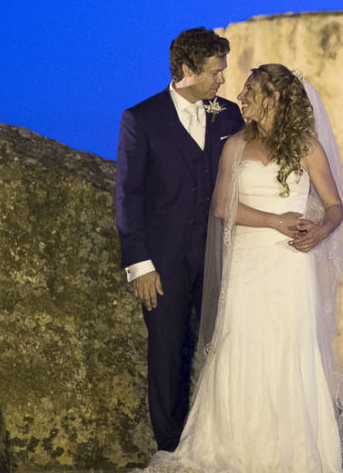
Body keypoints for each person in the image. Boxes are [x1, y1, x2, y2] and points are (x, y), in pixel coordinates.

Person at [149, 63, 343, 472]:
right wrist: (276, 221)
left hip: (292, 265)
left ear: (273, 98)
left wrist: (320, 230)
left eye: (249, 91)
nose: (240, 98)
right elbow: (223, 206)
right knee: (239, 344)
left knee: (289, 348)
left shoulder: (307, 148)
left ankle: (293, 454)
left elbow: (335, 206)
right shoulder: (235, 145)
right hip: (248, 262)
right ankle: (231, 448)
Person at [115, 28, 247, 452]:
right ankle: (169, 448)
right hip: (164, 262)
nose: (222, 80)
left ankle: (222, 439)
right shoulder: (141, 119)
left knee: (224, 347)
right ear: (187, 70)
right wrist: (140, 265)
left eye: (222, 71)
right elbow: (127, 196)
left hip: (221, 256)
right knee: (167, 353)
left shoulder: (228, 115)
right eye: (214, 72)